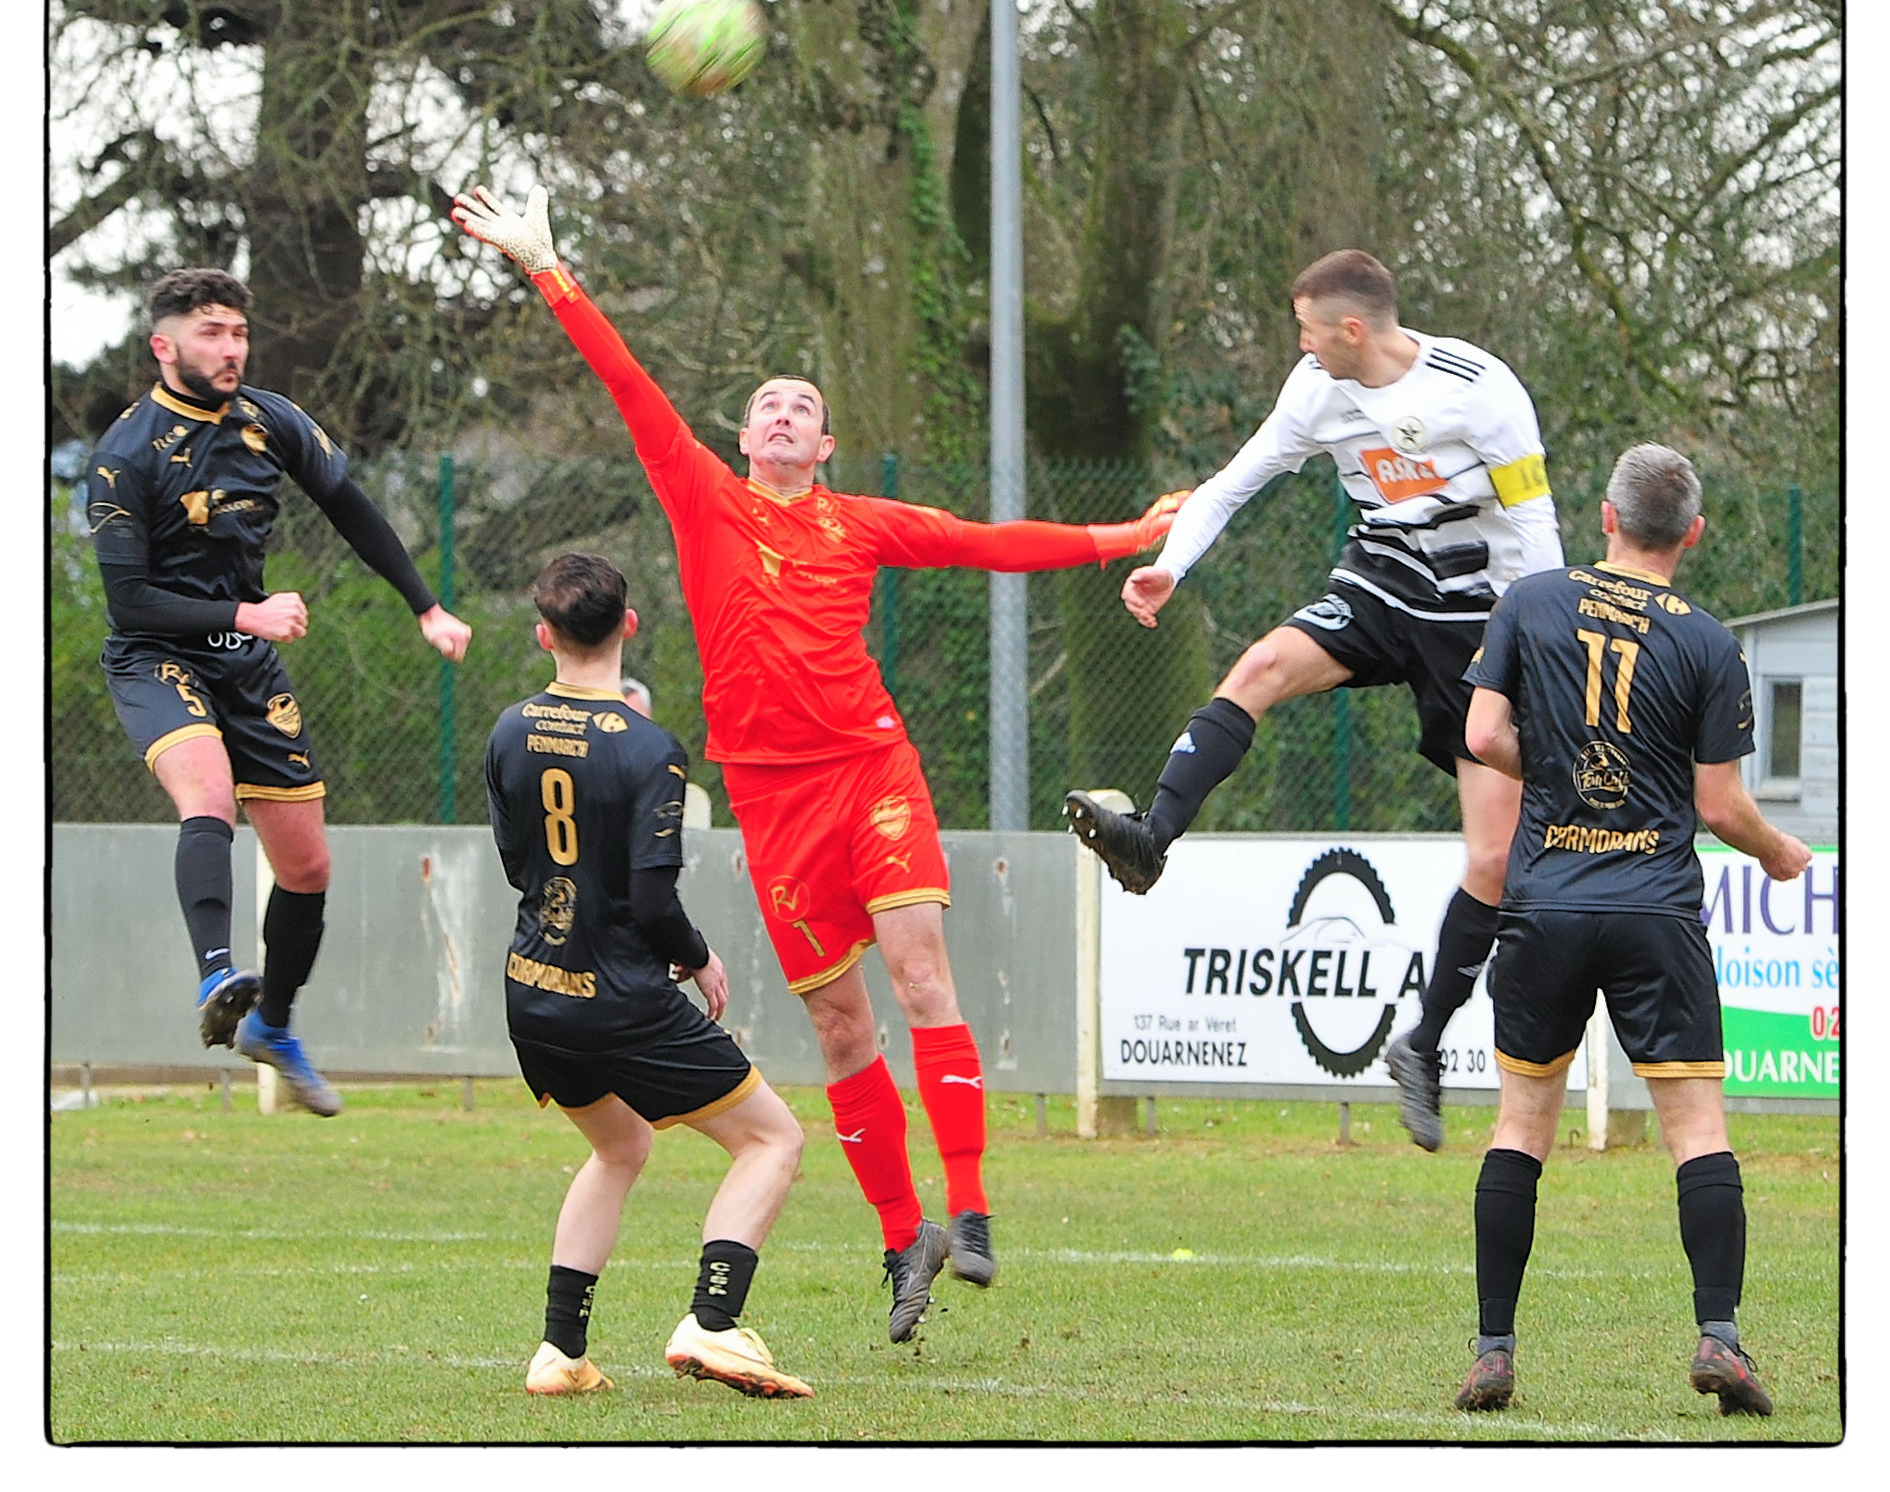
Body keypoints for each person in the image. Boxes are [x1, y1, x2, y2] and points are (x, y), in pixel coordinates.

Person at [451, 182, 1186, 1343]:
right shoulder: (702, 499)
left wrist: (1123, 536)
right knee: (842, 1029)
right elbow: (628, 386)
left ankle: (976, 1210)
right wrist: (551, 268)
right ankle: (905, 1240)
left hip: (868, 769)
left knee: (921, 974)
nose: (784, 415)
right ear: (745, 439)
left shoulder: (858, 521)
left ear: (826, 443)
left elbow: (986, 543)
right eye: (766, 406)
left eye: (804, 406)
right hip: (770, 795)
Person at [1061, 249, 1565, 1150]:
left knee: (1493, 857)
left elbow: (1535, 525)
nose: (1299, 343)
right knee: (1256, 669)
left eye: (1307, 327)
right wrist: (1169, 567)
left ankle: (1423, 1043)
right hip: (1377, 588)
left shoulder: (1479, 388)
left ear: (1353, 329)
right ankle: (1150, 838)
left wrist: (1544, 642)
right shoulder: (1314, 388)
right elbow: (1235, 481)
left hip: (1477, 624)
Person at [1450, 443, 1810, 1415]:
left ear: (1605, 518)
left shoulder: (1530, 601)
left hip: (1547, 901)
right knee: (1696, 1126)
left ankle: (1493, 1351)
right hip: (1654, 907)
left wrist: (1559, 773)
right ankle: (1721, 1336)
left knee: (1522, 1124)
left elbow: (1482, 738)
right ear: (1690, 533)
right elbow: (1722, 805)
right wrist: (1779, 852)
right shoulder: (1708, 641)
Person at [84, 268, 473, 1115]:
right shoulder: (124, 455)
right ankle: (216, 977)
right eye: (210, 334)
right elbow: (130, 600)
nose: (231, 349)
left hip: (247, 664)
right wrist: (245, 613)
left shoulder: (270, 419)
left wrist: (427, 606)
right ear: (164, 346)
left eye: (238, 333)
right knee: (210, 799)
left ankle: (275, 1026)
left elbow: (348, 504)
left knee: (307, 864)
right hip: (158, 656)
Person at [487, 552, 811, 1399]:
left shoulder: (508, 729)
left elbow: (518, 860)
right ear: (629, 625)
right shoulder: (650, 750)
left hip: (534, 988)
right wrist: (698, 957)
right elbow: (652, 897)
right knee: (773, 1139)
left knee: (620, 1145)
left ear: (543, 635)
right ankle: (713, 1325)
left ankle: (560, 1353)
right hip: (620, 995)